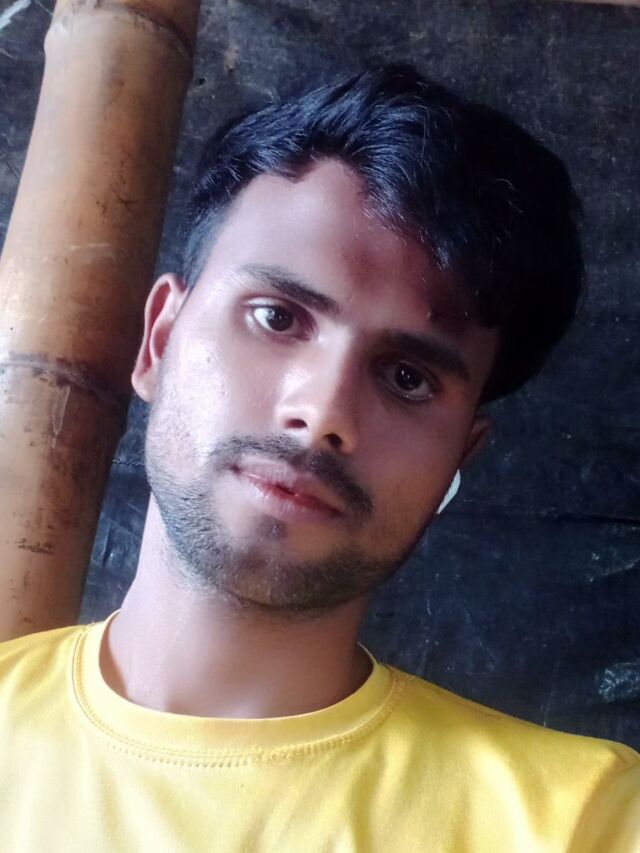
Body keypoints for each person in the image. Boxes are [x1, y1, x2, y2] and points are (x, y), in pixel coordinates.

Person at [0, 64, 638, 851]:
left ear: (460, 456)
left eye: (408, 377)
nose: (324, 412)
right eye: (277, 317)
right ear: (160, 340)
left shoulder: (584, 820)